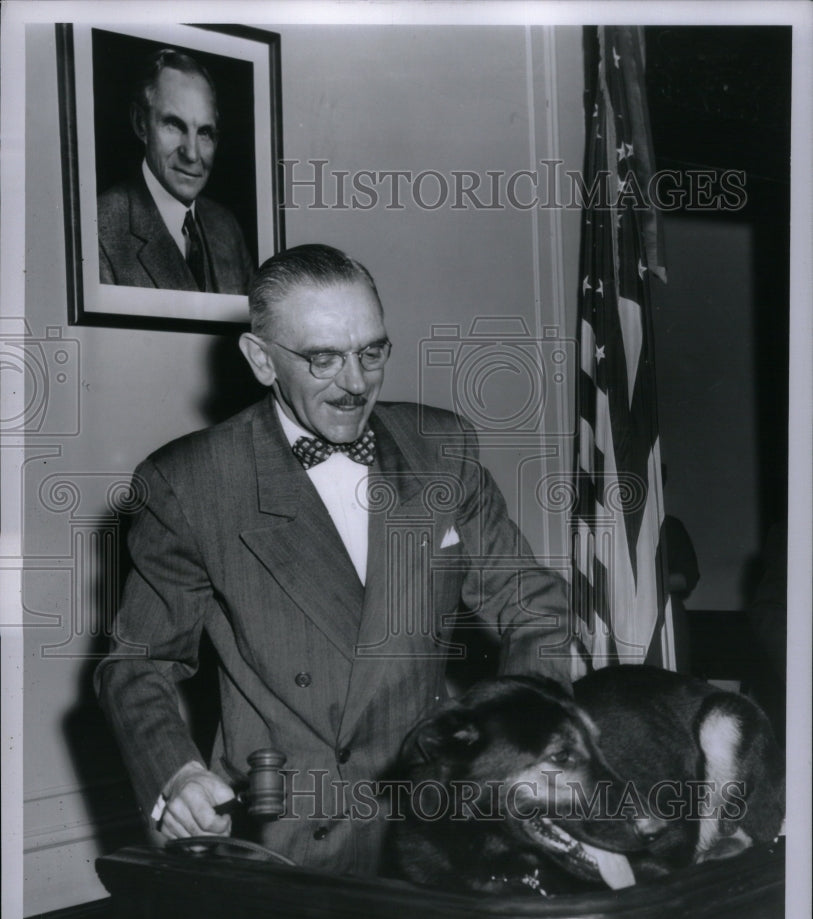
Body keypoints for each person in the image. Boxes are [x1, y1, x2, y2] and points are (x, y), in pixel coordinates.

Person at [95, 244, 573, 876]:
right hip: (286, 836)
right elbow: (139, 662)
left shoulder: (442, 448)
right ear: (261, 360)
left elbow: (533, 606)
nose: (355, 383)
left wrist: (525, 748)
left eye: (371, 352)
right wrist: (177, 773)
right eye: (323, 358)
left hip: (430, 825)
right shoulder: (191, 483)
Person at [97, 48, 254, 294]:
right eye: (174, 125)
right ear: (141, 124)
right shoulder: (99, 230)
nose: (191, 154)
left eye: (204, 132)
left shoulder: (227, 229)